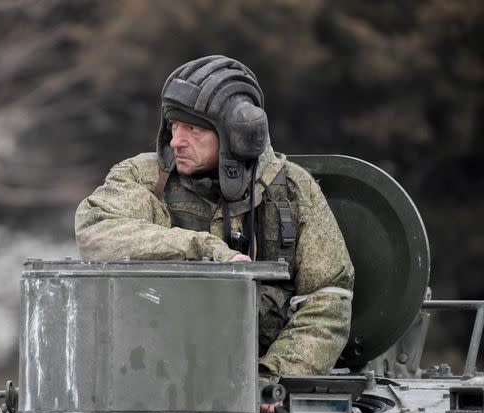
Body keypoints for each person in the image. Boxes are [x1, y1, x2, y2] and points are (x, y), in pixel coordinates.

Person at [75, 55, 354, 381]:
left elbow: (328, 298)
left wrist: (275, 376)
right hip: (154, 375)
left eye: (193, 129)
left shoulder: (293, 191)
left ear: (237, 135)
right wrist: (205, 251)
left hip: (265, 382)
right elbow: (97, 231)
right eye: (174, 126)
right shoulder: (144, 178)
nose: (177, 141)